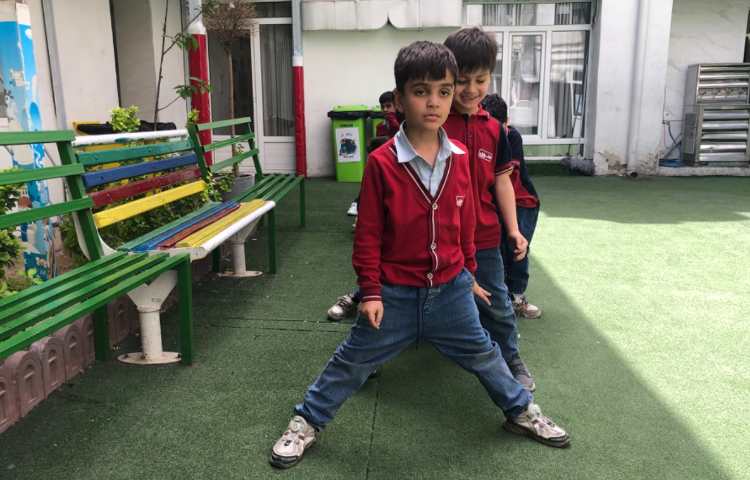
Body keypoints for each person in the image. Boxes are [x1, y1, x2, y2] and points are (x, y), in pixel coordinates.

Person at [270, 40, 569, 470]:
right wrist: (371, 292)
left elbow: (465, 226)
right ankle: (306, 422)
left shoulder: (460, 159)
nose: (434, 102)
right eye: (421, 91)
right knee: (353, 360)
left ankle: (521, 412)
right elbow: (368, 235)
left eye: (444, 92)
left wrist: (469, 274)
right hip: (394, 295)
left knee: (485, 354)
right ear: (399, 98)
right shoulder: (381, 163)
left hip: (451, 292)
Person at [443, 27, 535, 390]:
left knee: (497, 302)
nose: (471, 89)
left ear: (490, 78)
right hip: (438, 234)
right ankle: (374, 350)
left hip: (483, 234)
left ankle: (510, 357)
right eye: (461, 81)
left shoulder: (496, 130)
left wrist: (513, 230)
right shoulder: (433, 122)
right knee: (410, 296)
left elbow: (503, 182)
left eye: (480, 80)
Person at [482, 94, 542, 319]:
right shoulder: (482, 134)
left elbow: (503, 177)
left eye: (497, 126)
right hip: (496, 204)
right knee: (496, 250)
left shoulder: (512, 136)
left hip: (523, 203)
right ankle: (499, 298)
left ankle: (516, 297)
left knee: (518, 249)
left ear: (506, 122)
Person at [347, 91, 401, 217]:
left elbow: (401, 137)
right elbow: (380, 148)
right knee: (370, 172)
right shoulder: (380, 126)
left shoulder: (403, 122)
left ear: (396, 106)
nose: (385, 109)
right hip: (385, 161)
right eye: (383, 107)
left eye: (388, 106)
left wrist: (393, 122)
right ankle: (358, 203)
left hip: (400, 161)